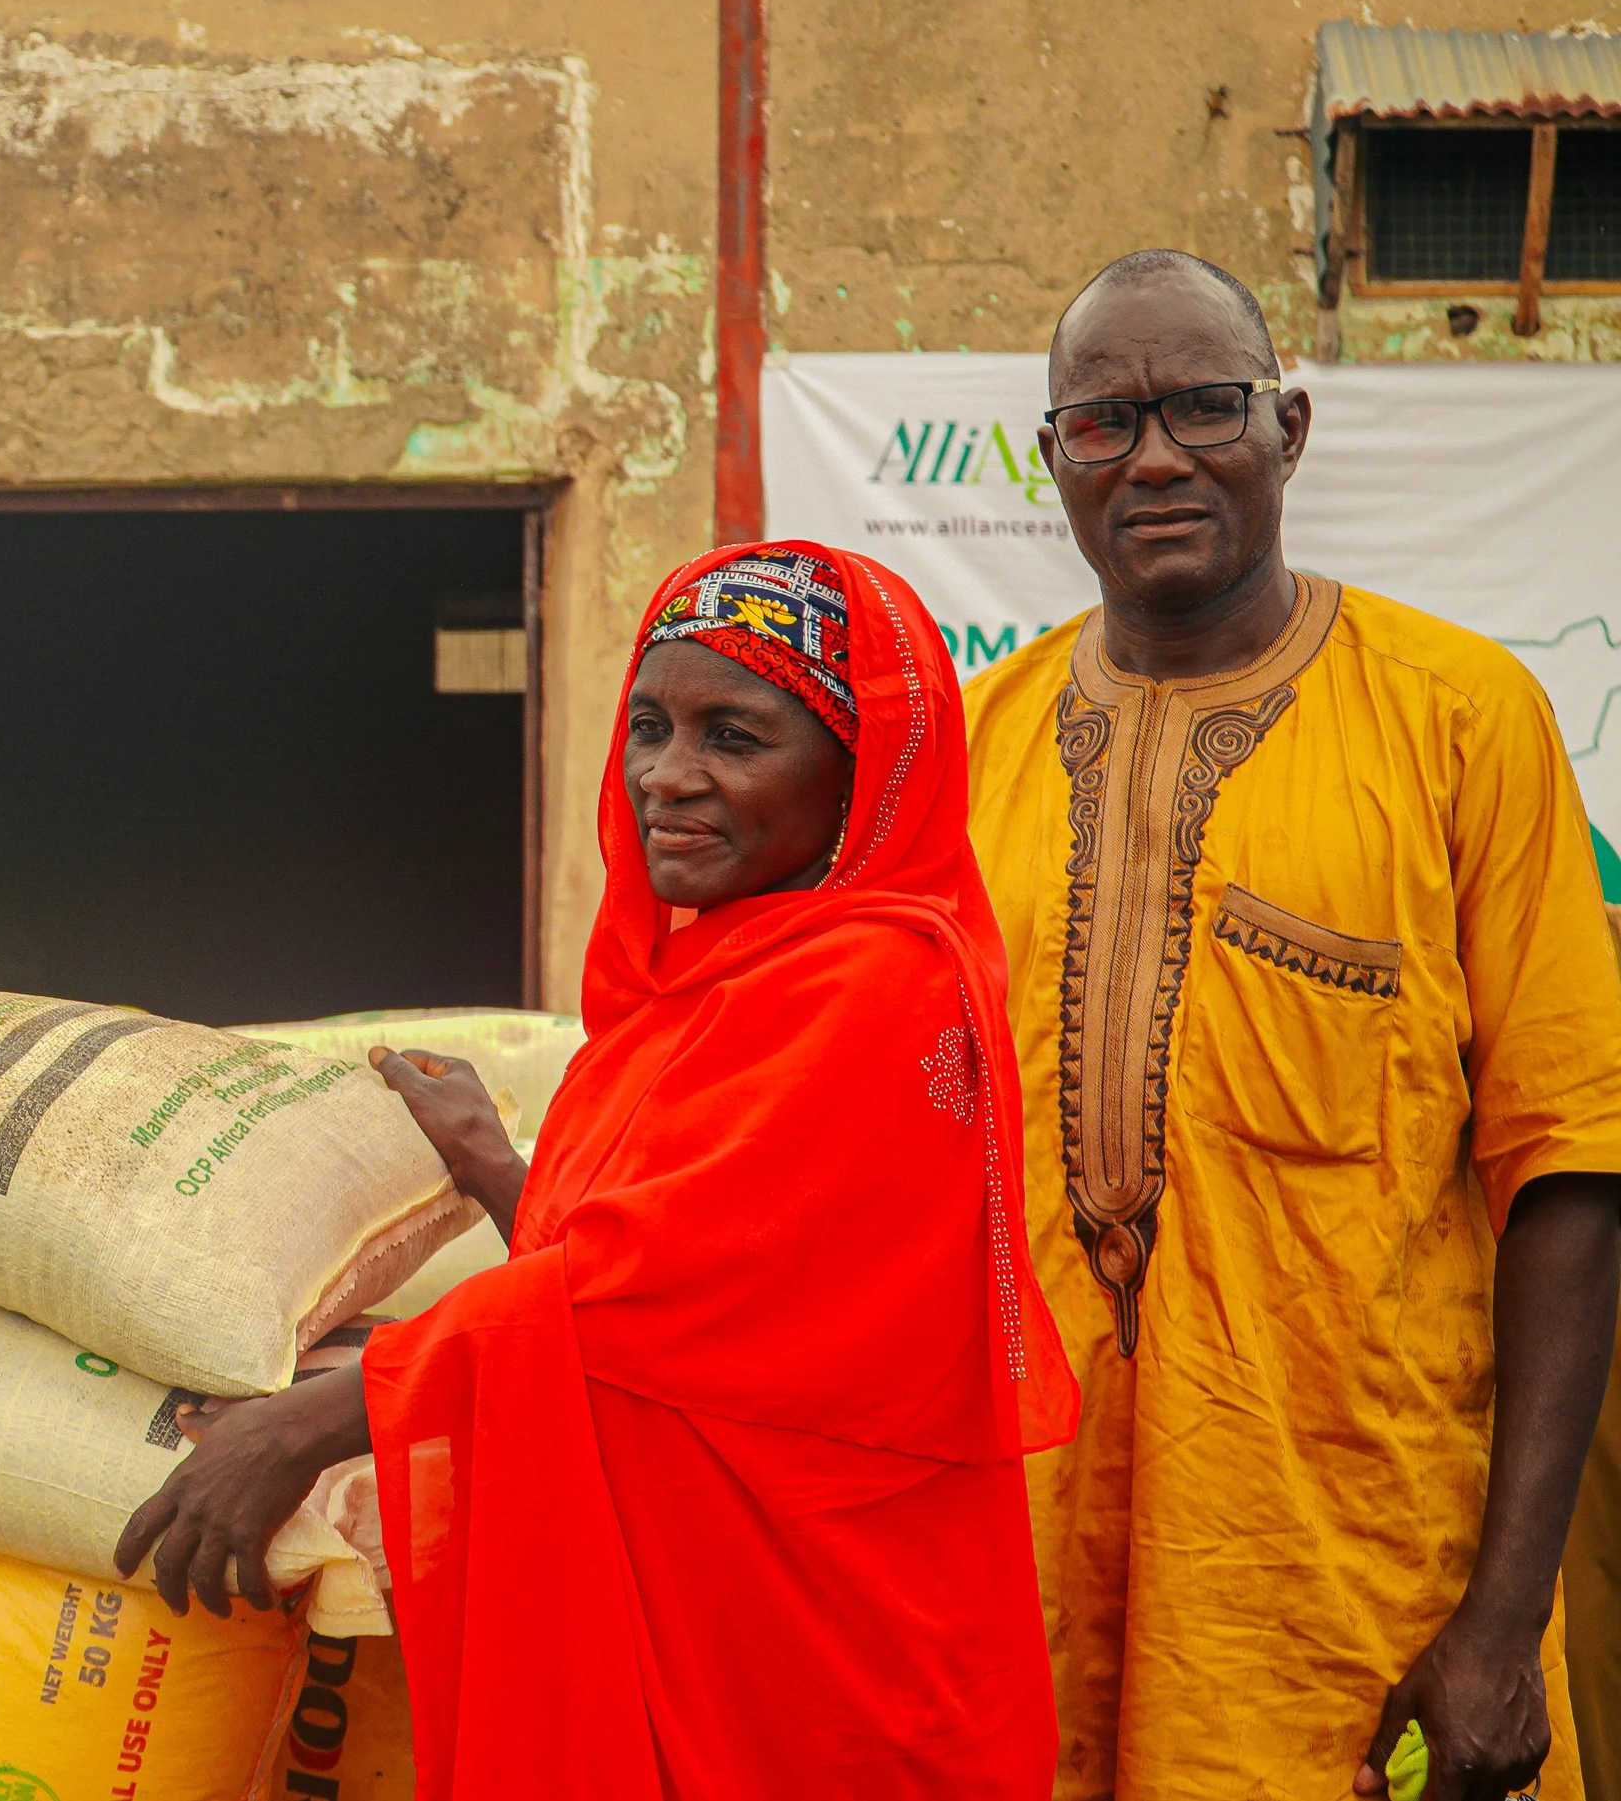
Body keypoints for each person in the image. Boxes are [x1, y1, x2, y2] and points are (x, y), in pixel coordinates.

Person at [118, 541, 1078, 1797]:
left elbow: (641, 1287)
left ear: (862, 775)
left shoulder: (878, 985)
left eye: (735, 736)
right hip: (725, 1623)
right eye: (649, 725)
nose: (668, 778)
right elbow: (686, 1304)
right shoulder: (716, 985)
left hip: (816, 1677)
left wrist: (299, 1429)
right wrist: (490, 1163)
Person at [964, 249, 1621, 1801]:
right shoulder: (976, 747)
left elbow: (1573, 1168)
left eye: (1207, 406)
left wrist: (1503, 1623)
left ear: (1292, 428)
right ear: (1051, 459)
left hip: (1352, 1585)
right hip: (1020, 1577)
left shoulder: (1461, 720)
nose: (1160, 455)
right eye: (1106, 422)